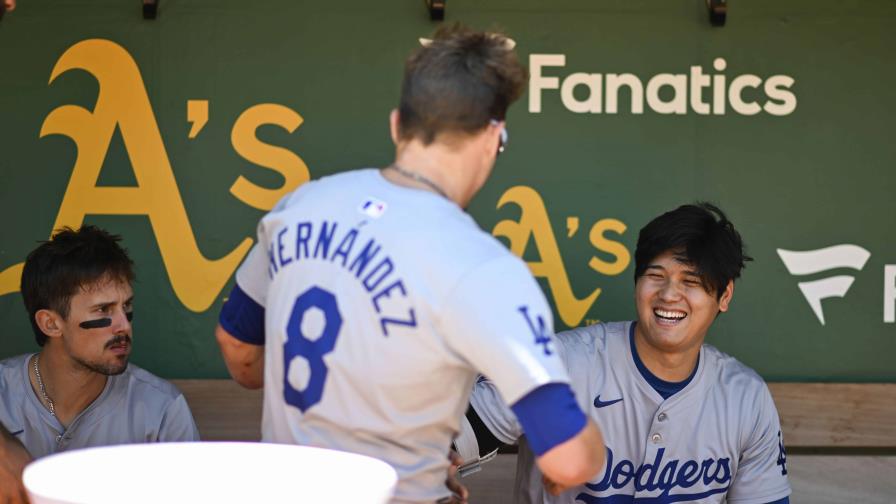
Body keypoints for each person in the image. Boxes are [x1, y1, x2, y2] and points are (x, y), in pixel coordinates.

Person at [215, 24, 605, 503]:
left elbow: (239, 352)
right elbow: (567, 458)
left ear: (398, 125)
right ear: (494, 138)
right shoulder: (483, 266)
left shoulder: (300, 206)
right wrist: (593, 447)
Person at [457, 203, 792, 503]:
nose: (669, 294)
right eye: (655, 276)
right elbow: (446, 440)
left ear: (724, 295)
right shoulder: (562, 364)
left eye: (691, 281)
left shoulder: (746, 399)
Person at [0, 226, 199, 489]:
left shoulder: (161, 410)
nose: (124, 326)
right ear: (50, 324)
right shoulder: (4, 393)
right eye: (103, 309)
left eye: (126, 307)